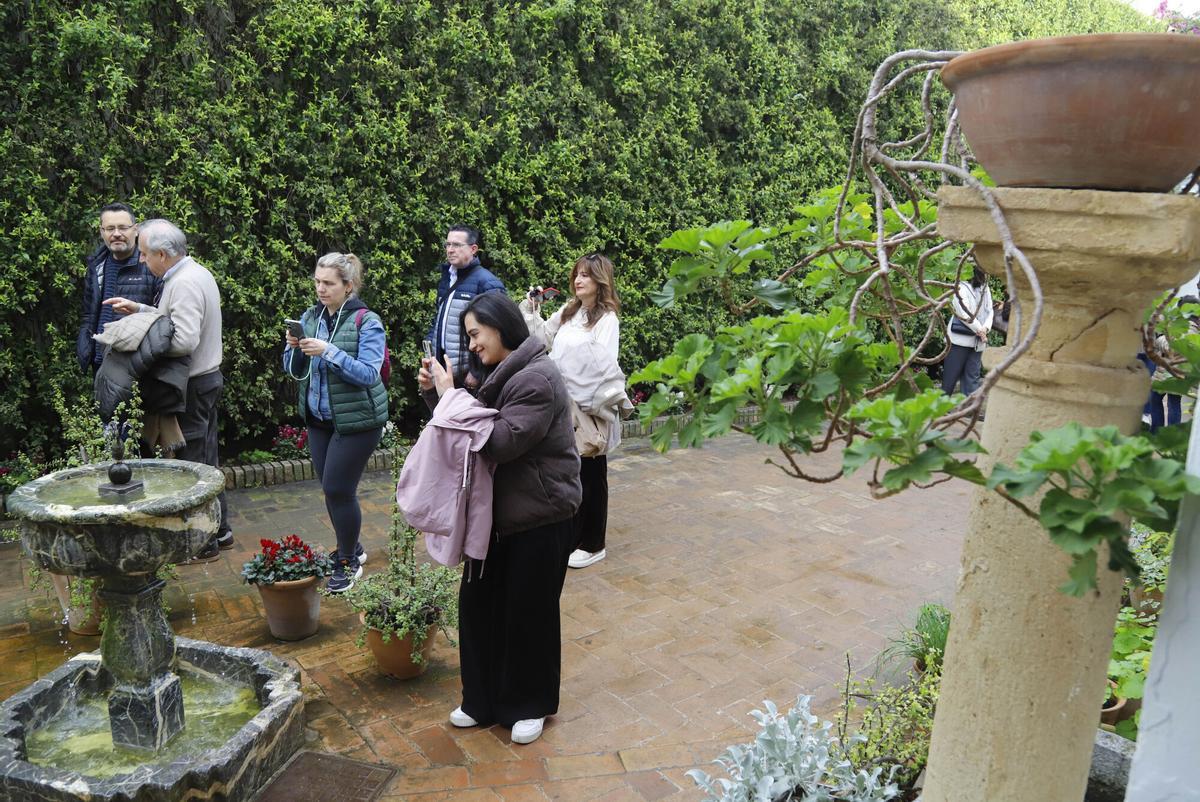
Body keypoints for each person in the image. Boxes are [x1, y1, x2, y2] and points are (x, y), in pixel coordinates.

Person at [419, 291, 581, 745]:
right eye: (468, 336)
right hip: (494, 517)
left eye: (475, 334)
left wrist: (451, 397)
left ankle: (530, 704)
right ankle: (482, 700)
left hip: (540, 516)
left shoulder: (537, 378)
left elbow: (500, 441)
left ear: (501, 327)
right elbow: (466, 430)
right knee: (479, 608)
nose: (470, 344)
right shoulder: (496, 372)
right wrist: (439, 396)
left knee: (529, 613)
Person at [103, 219, 232, 558]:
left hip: (193, 383)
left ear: (163, 253)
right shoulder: (191, 274)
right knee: (207, 458)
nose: (142, 260)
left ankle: (204, 544)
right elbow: (172, 319)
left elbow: (184, 339)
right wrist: (142, 310)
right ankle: (223, 530)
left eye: (145, 254)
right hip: (205, 379)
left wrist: (137, 339)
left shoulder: (185, 283)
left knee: (194, 466)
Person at [283, 252, 387, 593]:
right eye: (317, 281)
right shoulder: (310, 317)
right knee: (331, 487)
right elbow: (294, 371)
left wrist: (329, 351)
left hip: (359, 421)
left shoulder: (367, 322)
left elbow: (370, 373)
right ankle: (351, 546)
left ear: (348, 286)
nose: (320, 289)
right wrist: (295, 349)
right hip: (319, 418)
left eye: (328, 283)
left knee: (338, 489)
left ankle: (348, 561)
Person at [521, 253, 627, 569]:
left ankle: (594, 543)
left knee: (592, 472)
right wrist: (531, 308)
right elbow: (539, 339)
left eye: (586, 275)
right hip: (564, 404)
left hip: (589, 405)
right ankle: (574, 536)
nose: (579, 280)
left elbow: (602, 365)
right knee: (570, 471)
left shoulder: (607, 319)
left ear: (600, 281)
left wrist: (561, 372)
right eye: (577, 274)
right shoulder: (571, 311)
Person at [77, 203, 160, 372]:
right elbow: (88, 314)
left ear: (136, 230)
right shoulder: (96, 265)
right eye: (110, 228)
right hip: (100, 363)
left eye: (123, 228)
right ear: (102, 232)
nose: (116, 234)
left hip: (136, 366)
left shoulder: (152, 265)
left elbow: (163, 316)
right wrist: (85, 348)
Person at [427, 225, 505, 383]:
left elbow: (497, 334)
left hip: (467, 378)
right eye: (448, 244)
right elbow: (438, 322)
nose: (450, 250)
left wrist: (477, 372)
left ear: (473, 249)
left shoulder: (487, 283)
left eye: (456, 245)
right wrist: (429, 356)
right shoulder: (446, 279)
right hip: (443, 371)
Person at [941, 266, 993, 396]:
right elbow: (963, 312)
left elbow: (990, 310)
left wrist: (985, 328)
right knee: (950, 378)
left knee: (972, 378)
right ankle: (939, 412)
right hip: (959, 341)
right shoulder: (960, 287)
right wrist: (979, 330)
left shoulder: (985, 288)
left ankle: (969, 411)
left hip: (978, 343)